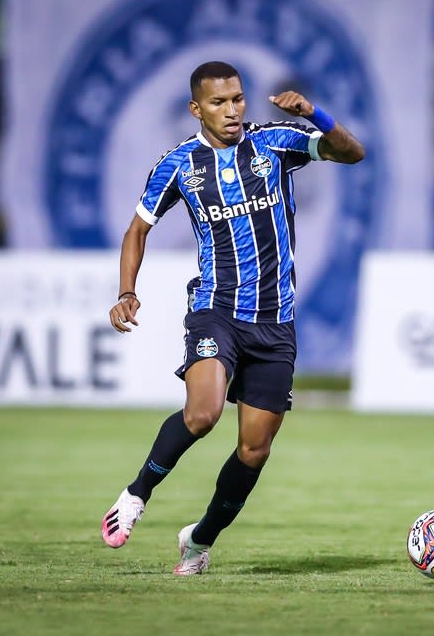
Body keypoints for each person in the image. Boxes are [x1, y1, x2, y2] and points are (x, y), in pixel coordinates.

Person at [101, 60, 365, 575]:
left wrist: (316, 115)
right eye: (219, 103)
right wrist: (126, 291)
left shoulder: (275, 143)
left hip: (276, 322)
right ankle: (135, 496)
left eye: (239, 99)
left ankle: (198, 542)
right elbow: (137, 230)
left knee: (254, 450)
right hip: (215, 310)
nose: (233, 111)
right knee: (202, 414)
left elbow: (352, 154)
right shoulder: (178, 165)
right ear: (196, 109)